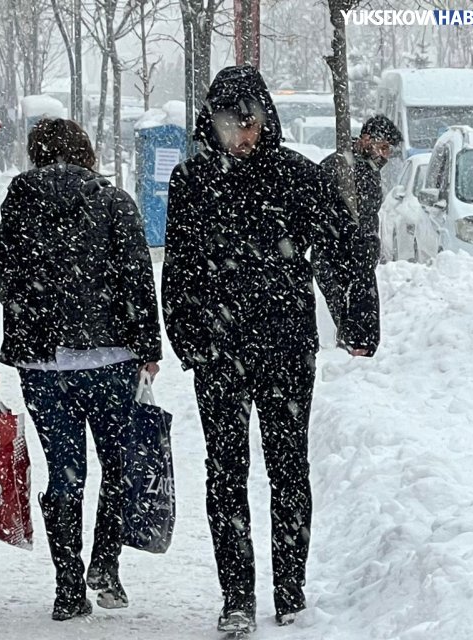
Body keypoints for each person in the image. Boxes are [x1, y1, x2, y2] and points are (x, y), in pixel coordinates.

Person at [162, 65, 380, 635]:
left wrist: (358, 321)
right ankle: (237, 596)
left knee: (287, 470)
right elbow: (179, 267)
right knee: (226, 474)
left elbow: (342, 248)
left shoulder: (296, 176)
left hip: (285, 348)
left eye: (252, 121)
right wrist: (187, 339)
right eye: (231, 123)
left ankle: (289, 590)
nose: (244, 134)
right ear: (212, 124)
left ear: (266, 118)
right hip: (218, 351)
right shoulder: (192, 181)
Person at [0, 118, 162, 622]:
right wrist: (148, 346)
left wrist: (37, 323)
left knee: (65, 473)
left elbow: (7, 283)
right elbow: (137, 277)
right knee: (117, 466)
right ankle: (105, 564)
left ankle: (67, 586)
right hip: (110, 357)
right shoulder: (113, 202)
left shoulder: (20, 204)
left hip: (45, 364)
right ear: (86, 152)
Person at [319, 115, 402, 270]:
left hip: (357, 257)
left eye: (389, 150)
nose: (385, 156)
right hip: (342, 258)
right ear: (366, 139)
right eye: (383, 148)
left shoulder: (368, 168)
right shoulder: (342, 167)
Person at [0, 104, 17, 173]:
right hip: (3, 143)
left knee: (7, 160)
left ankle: (6, 173)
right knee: (4, 161)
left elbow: (13, 133)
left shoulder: (8, 122)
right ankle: (4, 173)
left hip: (6, 143)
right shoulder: (4, 122)